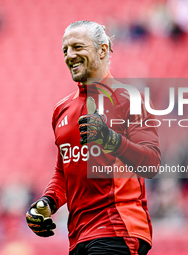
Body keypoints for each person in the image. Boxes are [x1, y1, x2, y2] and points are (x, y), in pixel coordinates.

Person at [26, 20, 161, 255]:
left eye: (78, 47)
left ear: (102, 50)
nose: (70, 55)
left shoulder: (129, 99)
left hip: (118, 229)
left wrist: (109, 140)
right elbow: (63, 172)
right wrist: (48, 203)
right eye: (65, 50)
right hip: (78, 236)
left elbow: (151, 163)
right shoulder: (61, 110)